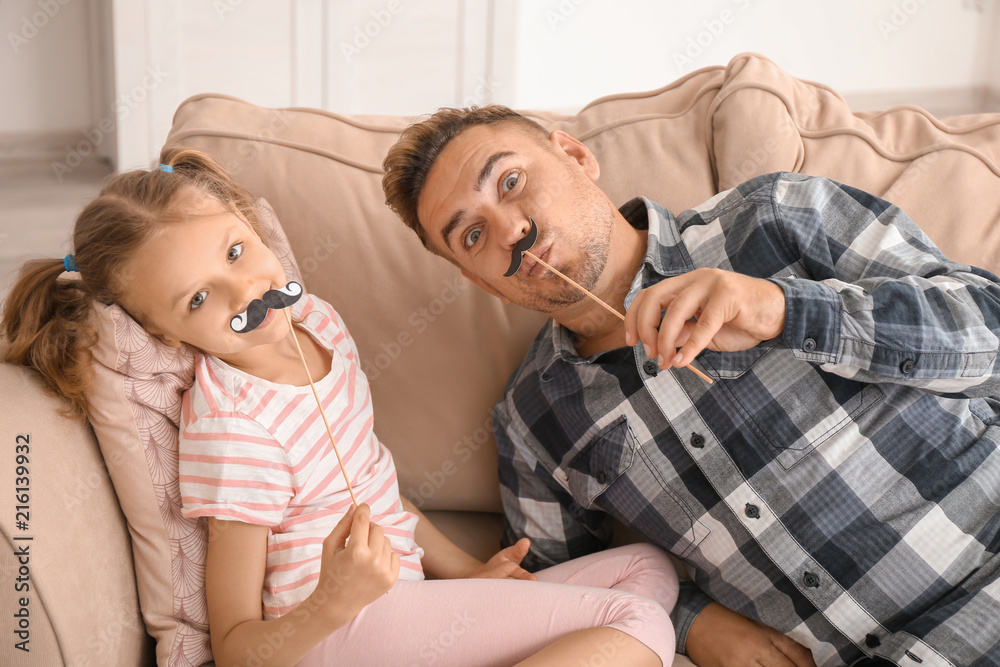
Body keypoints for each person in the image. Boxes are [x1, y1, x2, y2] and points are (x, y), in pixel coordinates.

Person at [1, 148, 682, 667]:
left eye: (237, 252)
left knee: (649, 569)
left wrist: (472, 576)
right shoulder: (234, 427)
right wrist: (335, 600)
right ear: (168, 336)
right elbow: (235, 644)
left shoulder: (318, 323)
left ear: (250, 224)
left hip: (404, 600)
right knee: (640, 623)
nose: (242, 292)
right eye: (198, 299)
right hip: (335, 631)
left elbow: (374, 487)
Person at [381, 105, 1000, 667]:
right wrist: (689, 623)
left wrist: (783, 310)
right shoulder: (534, 421)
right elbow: (557, 590)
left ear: (575, 156)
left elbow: (988, 327)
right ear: (485, 284)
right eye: (472, 236)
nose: (509, 230)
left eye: (510, 182)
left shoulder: (776, 217)